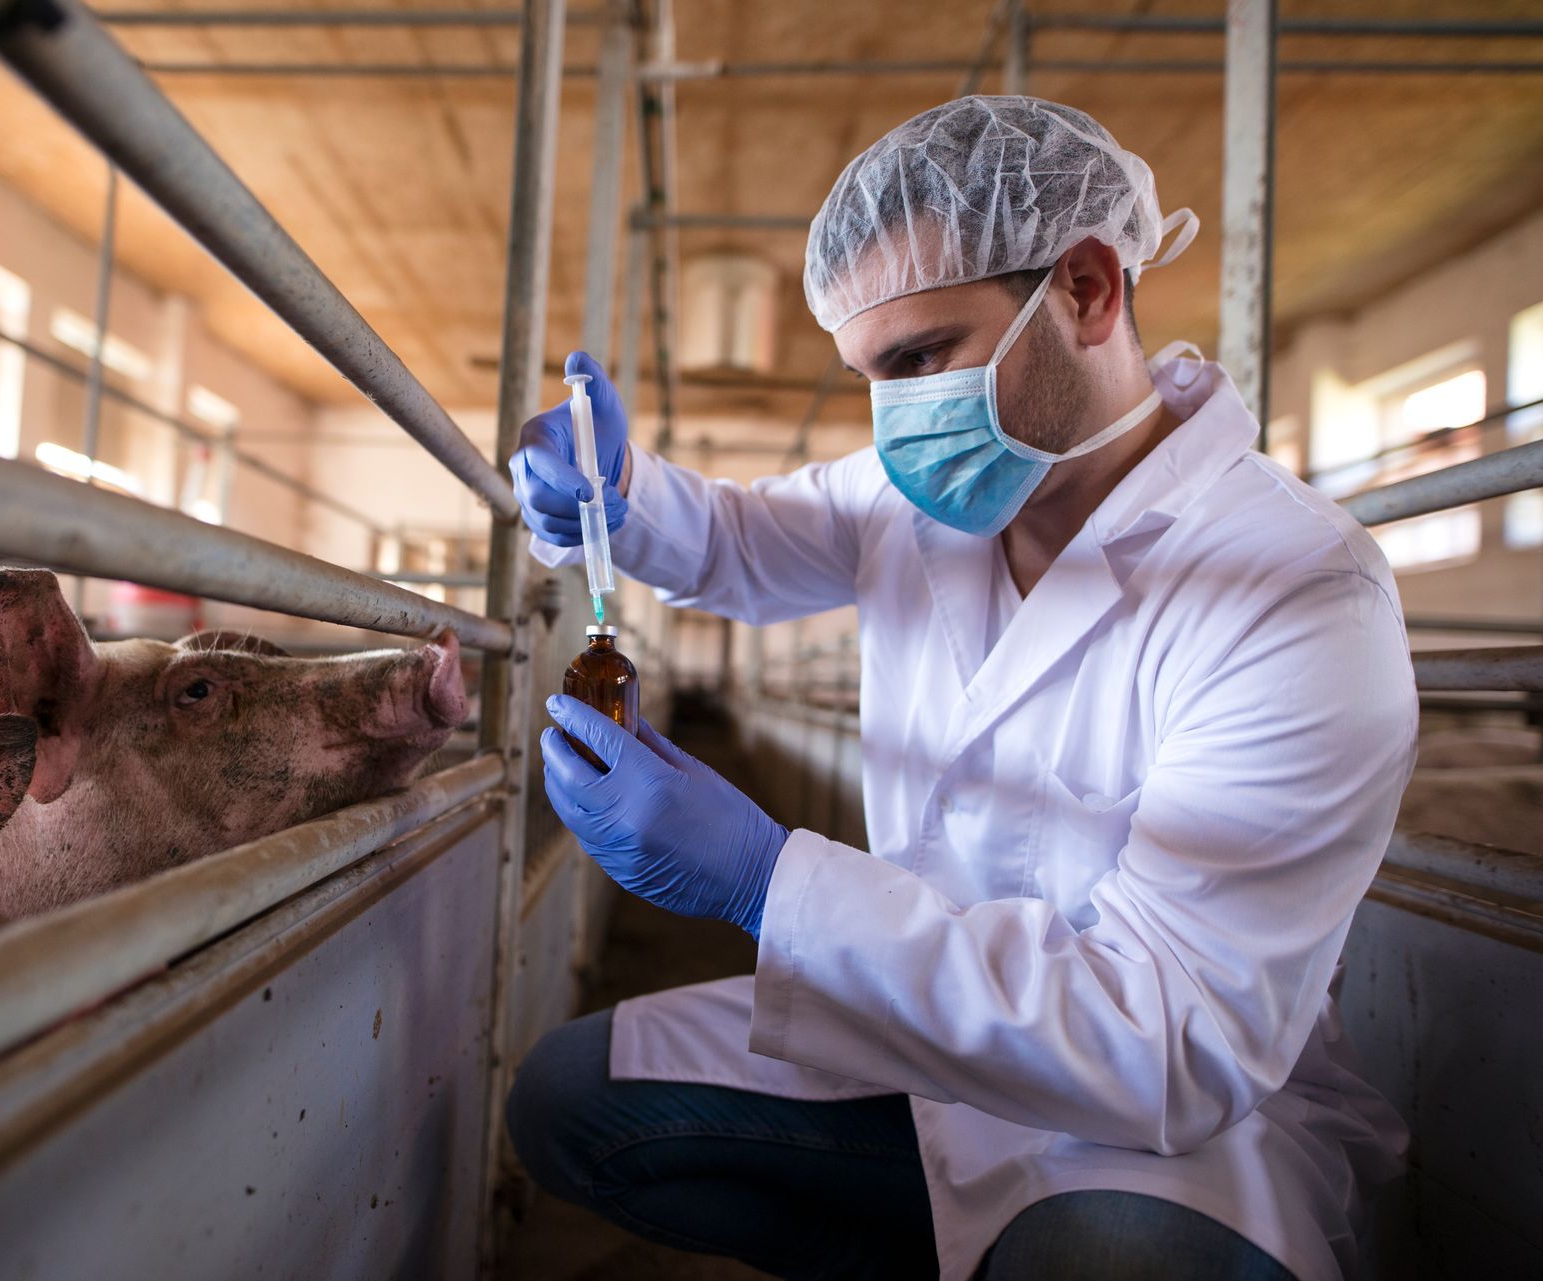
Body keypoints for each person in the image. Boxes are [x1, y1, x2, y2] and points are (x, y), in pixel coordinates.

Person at [504, 96, 1414, 1281]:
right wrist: (616, 495)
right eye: (868, 377)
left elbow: (1170, 1039)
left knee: (1113, 1259)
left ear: (1088, 288)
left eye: (921, 359)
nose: (897, 422)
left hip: (1151, 1123)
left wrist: (767, 882)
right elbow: (736, 539)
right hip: (915, 1029)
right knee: (568, 1100)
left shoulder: (1295, 587)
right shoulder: (921, 496)